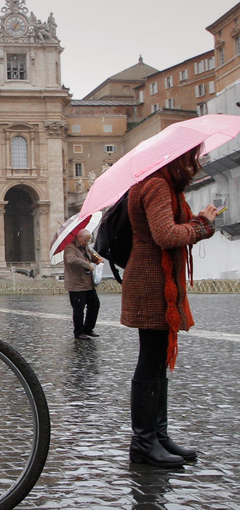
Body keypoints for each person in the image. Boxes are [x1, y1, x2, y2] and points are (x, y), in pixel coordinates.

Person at [121, 146, 217, 468]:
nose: (196, 163)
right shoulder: (157, 184)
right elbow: (165, 234)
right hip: (152, 283)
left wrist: (200, 220)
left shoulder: (157, 183)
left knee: (157, 360)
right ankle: (144, 443)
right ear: (179, 158)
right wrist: (202, 226)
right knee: (150, 361)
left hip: (156, 281)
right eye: (193, 157)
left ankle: (158, 436)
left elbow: (169, 226)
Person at [63, 229, 102, 340]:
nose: (87, 243)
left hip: (88, 284)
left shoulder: (84, 247)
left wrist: (97, 260)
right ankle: (79, 332)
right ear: (79, 237)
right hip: (76, 285)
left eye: (88, 241)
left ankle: (88, 328)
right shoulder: (70, 248)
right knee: (79, 309)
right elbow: (71, 260)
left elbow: (91, 256)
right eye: (86, 240)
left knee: (94, 305)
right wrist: (87, 265)